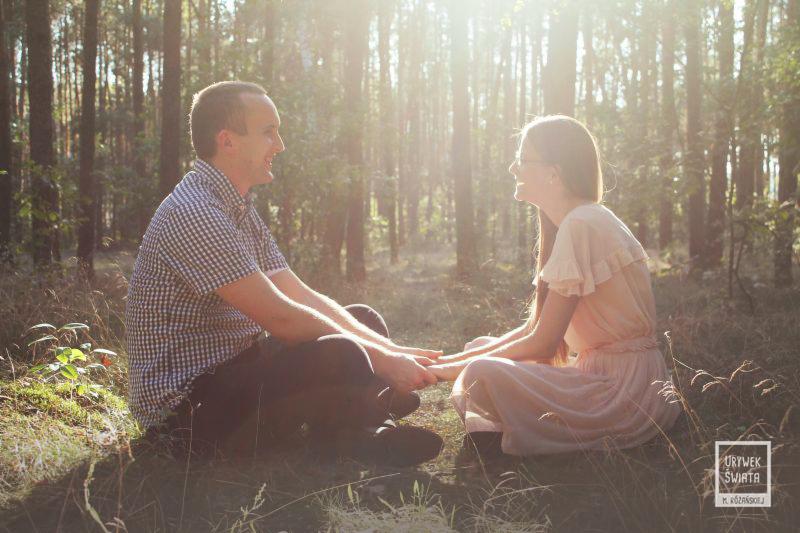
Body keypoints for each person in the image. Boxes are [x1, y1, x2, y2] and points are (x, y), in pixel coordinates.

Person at [126, 81, 442, 465]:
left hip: (235, 368)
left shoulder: (236, 206)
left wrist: (392, 351)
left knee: (362, 320)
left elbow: (300, 294)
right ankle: (365, 431)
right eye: (268, 132)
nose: (279, 145)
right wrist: (382, 361)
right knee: (344, 350)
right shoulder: (195, 213)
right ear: (228, 141)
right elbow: (282, 318)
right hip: (188, 412)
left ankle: (356, 422)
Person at [428, 115, 681, 458]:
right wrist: (450, 361)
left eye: (522, 159)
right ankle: (500, 439)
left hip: (624, 392)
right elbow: (536, 329)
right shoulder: (580, 220)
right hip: (617, 378)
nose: (512, 168)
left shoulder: (582, 224)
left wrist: (449, 370)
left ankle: (496, 452)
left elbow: (544, 344)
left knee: (482, 371)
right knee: (480, 348)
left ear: (553, 172)